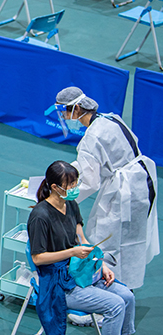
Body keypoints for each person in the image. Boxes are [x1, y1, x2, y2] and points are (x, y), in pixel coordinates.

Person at [27, 161, 144, 335]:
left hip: (81, 271)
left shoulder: (71, 204)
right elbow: (38, 258)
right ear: (54, 186)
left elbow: (82, 238)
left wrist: (99, 262)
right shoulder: (40, 216)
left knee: (127, 297)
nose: (74, 188)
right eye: (69, 184)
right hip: (57, 282)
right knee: (115, 305)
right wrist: (71, 252)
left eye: (75, 183)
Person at [52, 87, 158, 291]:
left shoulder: (90, 138)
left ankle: (109, 299)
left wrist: (62, 199)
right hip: (142, 180)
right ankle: (126, 290)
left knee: (107, 239)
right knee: (132, 238)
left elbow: (91, 183)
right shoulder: (111, 118)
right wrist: (72, 169)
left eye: (65, 111)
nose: (64, 117)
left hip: (125, 191)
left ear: (77, 109)